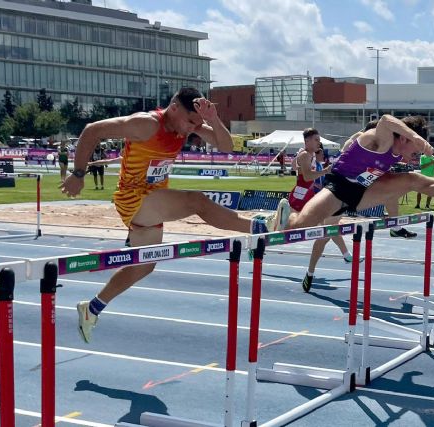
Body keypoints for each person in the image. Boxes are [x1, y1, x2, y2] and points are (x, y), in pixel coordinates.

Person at [59, 87, 290, 343]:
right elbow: (93, 129)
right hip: (134, 199)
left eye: (197, 124)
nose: (192, 129)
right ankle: (259, 226)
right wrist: (78, 173)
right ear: (174, 107)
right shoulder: (145, 124)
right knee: (197, 201)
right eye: (191, 122)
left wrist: (211, 120)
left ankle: (92, 309)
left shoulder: (188, 125)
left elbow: (226, 147)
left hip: (154, 201)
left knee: (144, 266)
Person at [285, 114, 434, 232]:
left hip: (362, 192)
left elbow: (393, 189)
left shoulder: (398, 154)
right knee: (299, 226)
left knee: (413, 179)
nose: (415, 156)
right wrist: (416, 137)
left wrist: (395, 221)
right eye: (414, 150)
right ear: (404, 138)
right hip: (339, 188)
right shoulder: (382, 140)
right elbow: (385, 119)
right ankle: (280, 217)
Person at [289, 132, 356, 292]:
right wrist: (325, 171)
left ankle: (347, 256)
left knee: (328, 227)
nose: (319, 143)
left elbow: (296, 169)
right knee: (285, 230)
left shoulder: (307, 155)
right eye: (316, 140)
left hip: (308, 195)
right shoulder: (305, 154)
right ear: (307, 141)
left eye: (319, 140)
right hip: (302, 196)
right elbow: (306, 176)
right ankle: (258, 242)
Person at [342, 119, 417, 239]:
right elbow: (345, 151)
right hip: (348, 177)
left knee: (391, 191)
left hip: (362, 176)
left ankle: (395, 227)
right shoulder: (361, 137)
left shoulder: (381, 144)